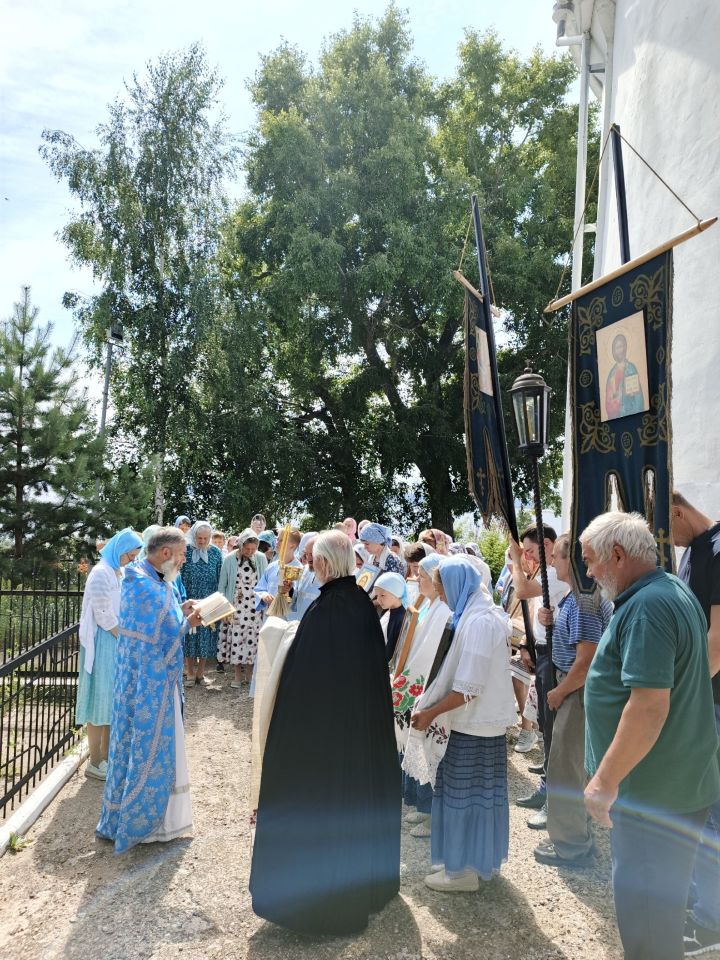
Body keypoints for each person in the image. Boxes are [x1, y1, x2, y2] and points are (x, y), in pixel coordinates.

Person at [581, 511, 720, 960]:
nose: (588, 572)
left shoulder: (648, 606)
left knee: (645, 925)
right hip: (671, 786)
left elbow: (648, 707)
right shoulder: (670, 588)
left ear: (617, 555)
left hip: (652, 795)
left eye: (590, 561)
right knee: (660, 914)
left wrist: (604, 781)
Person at [250, 530, 401, 934]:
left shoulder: (331, 609)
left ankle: (318, 904)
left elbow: (309, 676)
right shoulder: (359, 605)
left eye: (312, 559)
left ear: (321, 564)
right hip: (354, 731)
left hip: (326, 737)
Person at [409, 557, 516, 892]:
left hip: (474, 726)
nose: (439, 594)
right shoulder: (476, 613)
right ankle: (477, 863)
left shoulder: (480, 622)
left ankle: (461, 872)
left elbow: (468, 689)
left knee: (461, 796)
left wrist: (428, 714)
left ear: (455, 585)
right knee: (478, 797)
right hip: (479, 725)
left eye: (441, 587)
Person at [97, 527, 203, 852]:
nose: (184, 560)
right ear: (166, 553)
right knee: (146, 747)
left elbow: (163, 617)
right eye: (182, 553)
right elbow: (164, 636)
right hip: (148, 682)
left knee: (137, 745)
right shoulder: (141, 582)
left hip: (150, 677)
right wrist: (189, 624)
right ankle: (148, 826)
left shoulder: (152, 578)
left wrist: (181, 610)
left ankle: (153, 822)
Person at [532, 534, 613, 868]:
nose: (553, 562)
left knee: (566, 769)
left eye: (559, 558)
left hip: (576, 691)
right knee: (571, 765)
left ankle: (572, 846)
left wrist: (559, 692)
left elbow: (586, 661)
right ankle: (574, 834)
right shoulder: (575, 599)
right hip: (573, 687)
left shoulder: (583, 602)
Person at [671, 491, 720, 956]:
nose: (668, 537)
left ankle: (712, 925)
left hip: (712, 703)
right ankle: (702, 905)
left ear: (679, 510)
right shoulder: (694, 552)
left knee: (711, 811)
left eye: (668, 525)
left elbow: (718, 639)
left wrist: (685, 700)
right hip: (703, 701)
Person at [509, 524, 568, 827]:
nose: (527, 557)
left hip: (555, 654)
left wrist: (515, 562)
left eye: (531, 551)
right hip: (543, 651)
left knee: (554, 726)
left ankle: (553, 793)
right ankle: (547, 780)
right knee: (546, 722)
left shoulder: (556, 571)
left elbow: (521, 592)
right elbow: (535, 610)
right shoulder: (545, 570)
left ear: (547, 544)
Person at [78, 527, 143, 781]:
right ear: (119, 550)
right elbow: (103, 615)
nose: (132, 560)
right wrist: (125, 637)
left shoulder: (119, 570)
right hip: (104, 640)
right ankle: (95, 760)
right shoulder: (100, 573)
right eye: (130, 555)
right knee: (99, 702)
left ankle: (108, 756)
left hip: (116, 639)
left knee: (112, 703)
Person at [393, 553, 451, 838]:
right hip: (413, 681)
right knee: (414, 746)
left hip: (427, 687)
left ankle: (432, 811)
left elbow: (432, 654)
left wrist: (409, 680)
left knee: (430, 750)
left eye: (424, 577)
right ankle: (422, 804)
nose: (418, 580)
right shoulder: (427, 605)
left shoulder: (444, 610)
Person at [217, 529, 263, 687]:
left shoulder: (261, 559)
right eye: (247, 549)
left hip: (255, 608)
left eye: (253, 549)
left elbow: (266, 582)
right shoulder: (230, 559)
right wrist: (223, 607)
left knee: (252, 641)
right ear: (241, 545)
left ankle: (250, 675)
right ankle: (237, 675)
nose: (250, 552)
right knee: (236, 640)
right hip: (235, 607)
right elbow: (222, 586)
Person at [181, 521, 223, 685]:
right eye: (199, 538)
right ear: (194, 536)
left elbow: (220, 575)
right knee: (190, 635)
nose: (203, 542)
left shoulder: (215, 553)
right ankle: (190, 672)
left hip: (209, 598)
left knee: (206, 634)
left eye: (206, 538)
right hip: (190, 597)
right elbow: (180, 573)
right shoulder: (186, 551)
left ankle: (201, 673)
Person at [254, 528, 303, 616]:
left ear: (292, 545)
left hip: (286, 621)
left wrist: (288, 591)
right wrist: (264, 596)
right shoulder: (271, 566)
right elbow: (259, 589)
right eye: (277, 539)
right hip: (268, 620)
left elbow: (297, 600)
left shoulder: (298, 568)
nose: (277, 542)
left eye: (281, 540)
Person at [605, 333, 644, 420]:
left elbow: (638, 398)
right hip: (614, 417)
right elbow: (608, 399)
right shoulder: (611, 373)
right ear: (613, 351)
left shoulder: (630, 369)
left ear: (625, 348)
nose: (619, 350)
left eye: (621, 346)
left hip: (630, 414)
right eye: (616, 348)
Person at [374, 571, 408, 662]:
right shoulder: (387, 610)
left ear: (396, 592)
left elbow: (391, 650)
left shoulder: (400, 618)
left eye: (382, 595)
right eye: (377, 596)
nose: (378, 600)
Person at [288, 532, 320, 621]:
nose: (309, 559)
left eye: (312, 554)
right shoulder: (303, 570)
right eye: (306, 554)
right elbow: (295, 600)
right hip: (299, 625)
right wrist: (289, 591)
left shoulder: (332, 576)